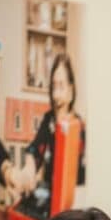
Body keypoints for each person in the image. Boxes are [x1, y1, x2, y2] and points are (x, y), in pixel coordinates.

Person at [12, 53, 86, 201]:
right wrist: (29, 167)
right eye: (54, 86)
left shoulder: (80, 127)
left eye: (61, 86)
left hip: (72, 202)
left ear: (71, 90)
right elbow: (34, 148)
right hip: (48, 197)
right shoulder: (49, 120)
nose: (56, 94)